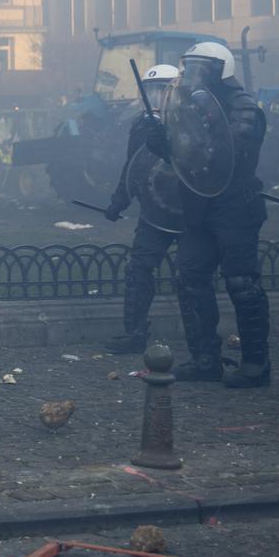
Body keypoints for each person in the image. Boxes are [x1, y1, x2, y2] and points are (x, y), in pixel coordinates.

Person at [144, 41, 270, 386]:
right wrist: (162, 142)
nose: (193, 74)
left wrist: (184, 139)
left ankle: (256, 364)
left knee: (242, 283)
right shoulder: (187, 103)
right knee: (189, 277)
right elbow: (186, 156)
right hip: (199, 205)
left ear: (221, 70)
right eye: (190, 66)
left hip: (236, 206)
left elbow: (227, 154)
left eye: (201, 67)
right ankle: (204, 360)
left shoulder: (243, 107)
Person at [102, 63, 180, 353]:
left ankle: (203, 343)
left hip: (188, 210)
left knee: (191, 275)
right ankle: (134, 333)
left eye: (163, 90)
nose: (156, 97)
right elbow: (133, 165)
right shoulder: (142, 124)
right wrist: (119, 200)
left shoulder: (190, 122)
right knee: (138, 270)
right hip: (154, 211)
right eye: (152, 90)